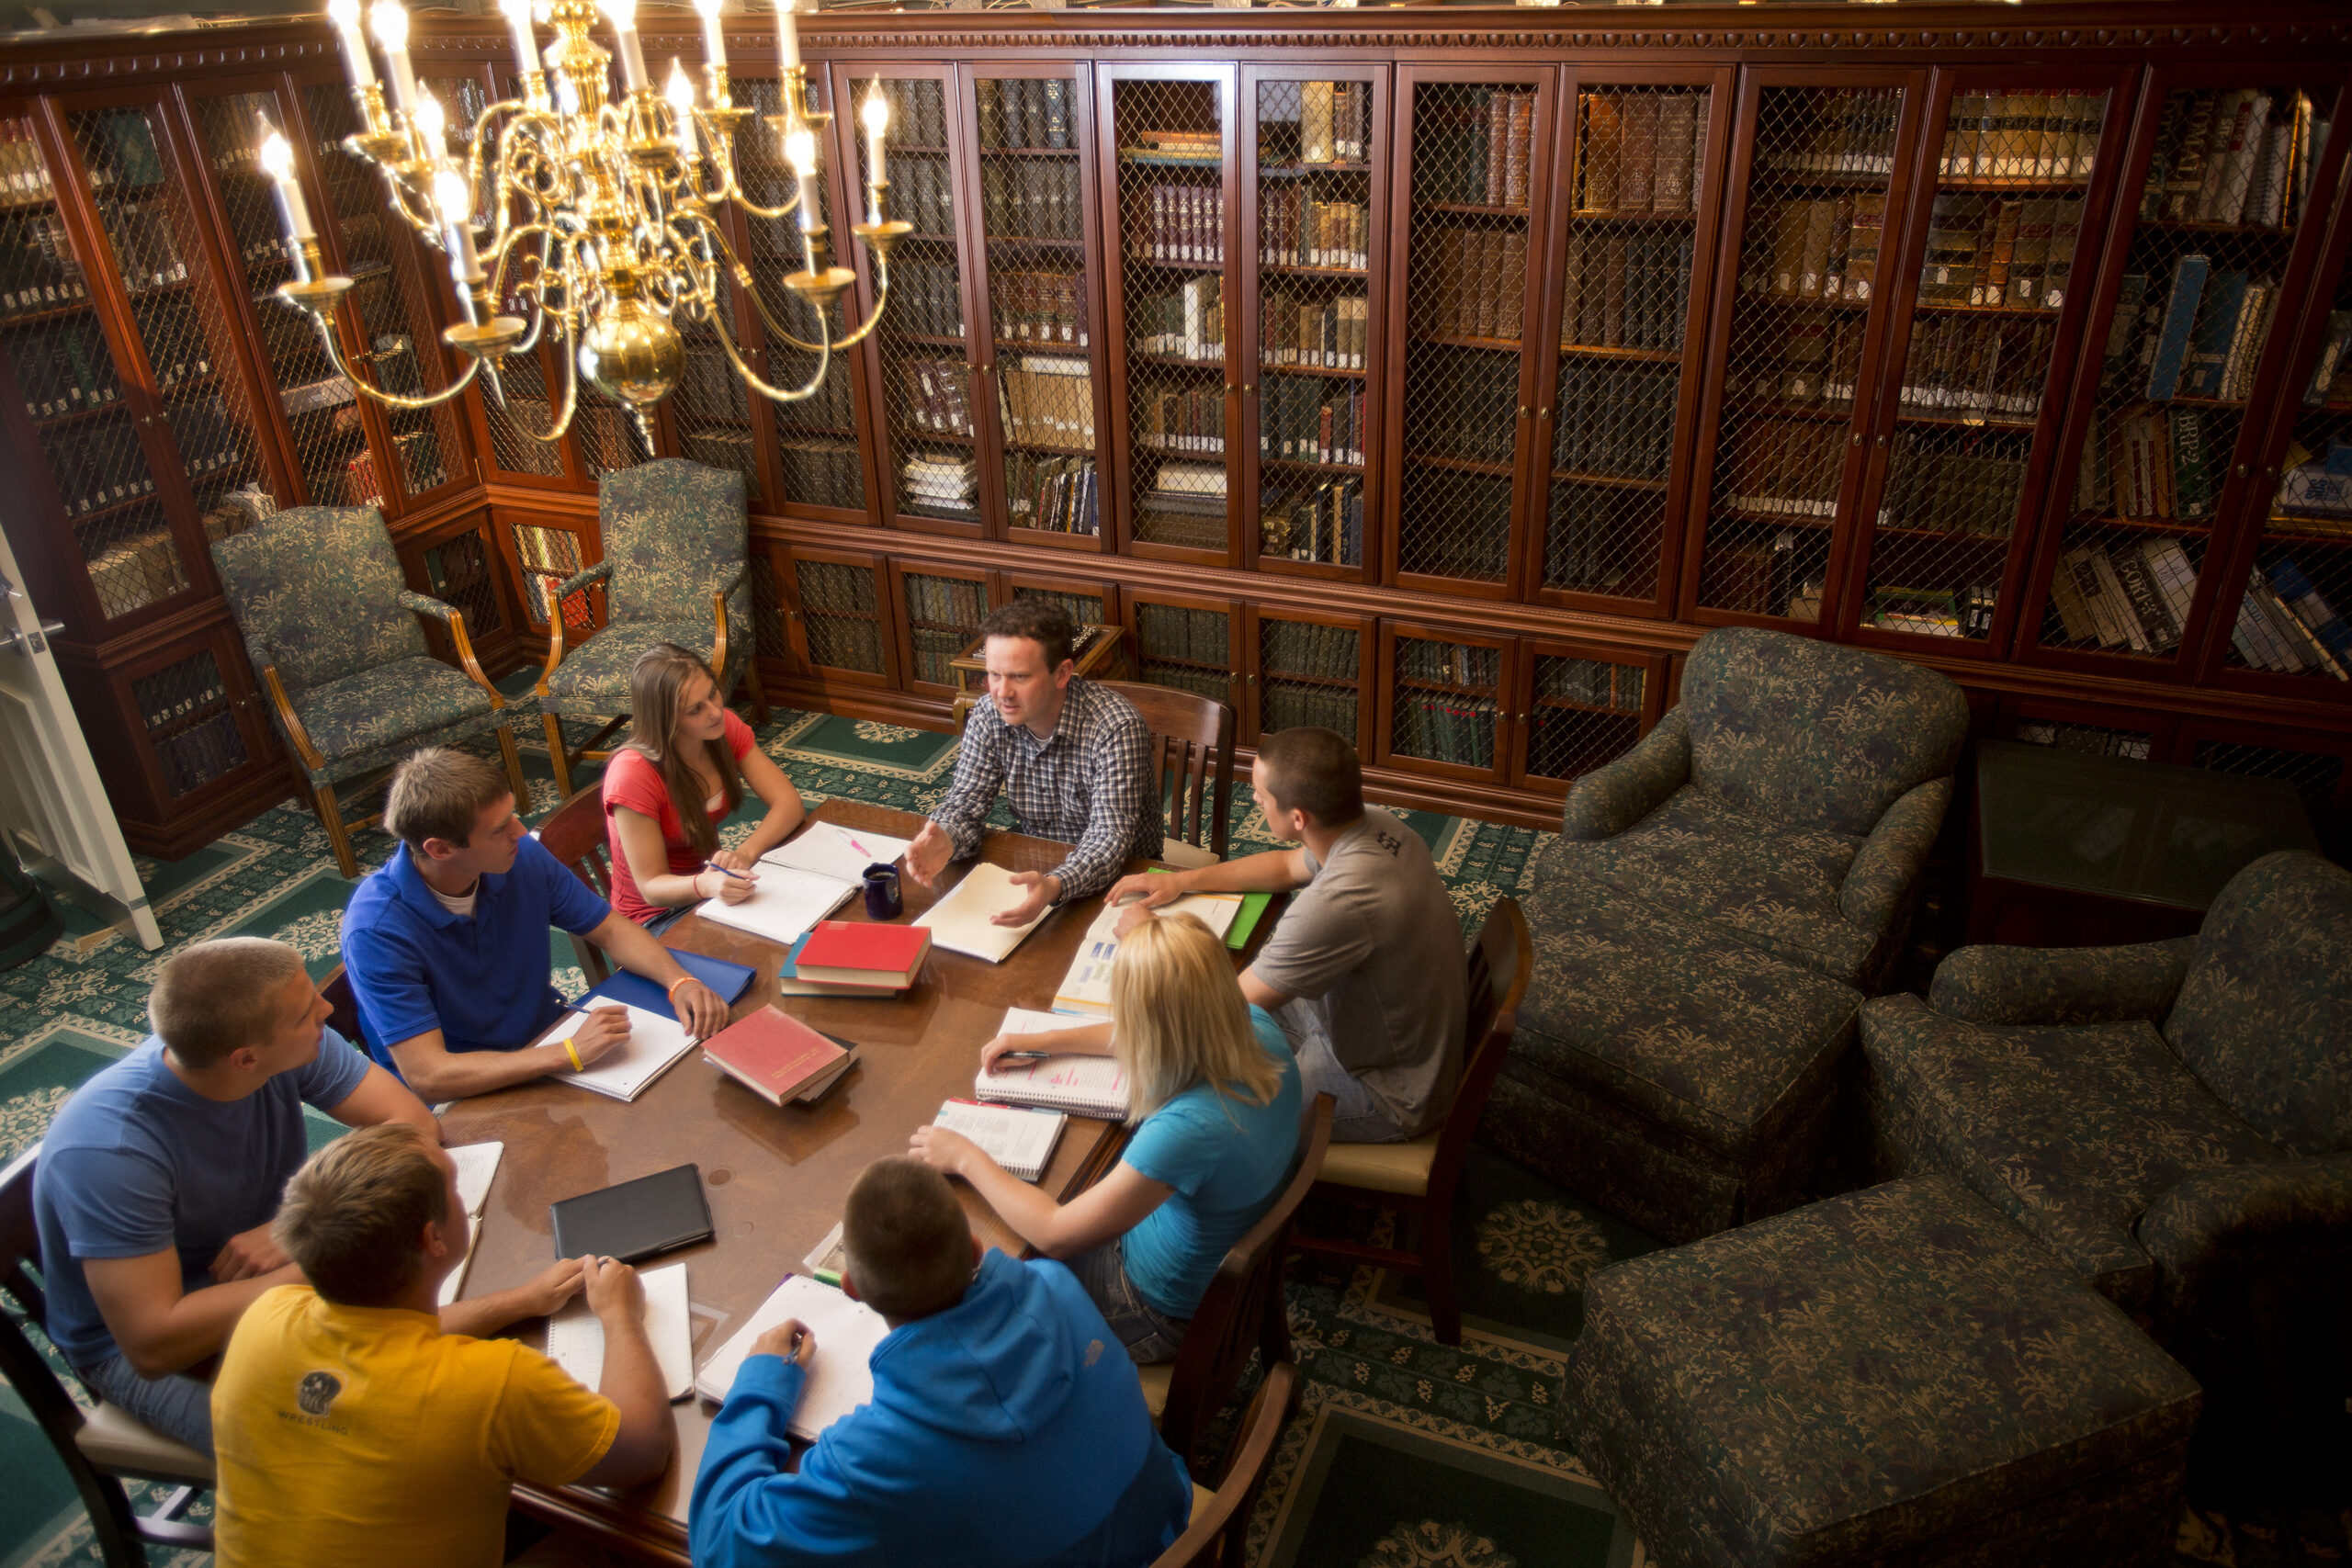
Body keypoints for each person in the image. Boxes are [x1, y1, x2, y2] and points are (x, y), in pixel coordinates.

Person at [29, 937, 565, 1454]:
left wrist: (295, 1227)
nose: (327, 1010)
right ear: (245, 1059)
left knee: (452, 1372)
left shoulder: (284, 1040)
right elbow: (153, 1342)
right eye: (306, 1012)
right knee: (369, 1440)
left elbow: (412, 1125)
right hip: (151, 1349)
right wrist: (330, 1248)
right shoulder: (110, 1151)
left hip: (266, 1277)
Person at [691, 1156, 1191, 1568]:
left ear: (854, 1291)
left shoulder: (874, 1460)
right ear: (976, 1248)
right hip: (1168, 1527)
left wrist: (760, 1383)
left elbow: (720, 1545)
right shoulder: (1056, 1284)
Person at [210, 1123, 673, 1567]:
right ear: (432, 1239)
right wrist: (619, 1315)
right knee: (604, 1548)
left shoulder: (266, 1316)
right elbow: (643, 1450)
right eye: (455, 1188)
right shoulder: (492, 1382)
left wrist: (523, 1301)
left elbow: (393, 1339)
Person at [915, 914, 1300, 1362]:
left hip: (1153, 1310)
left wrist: (964, 1156)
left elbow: (1056, 1234)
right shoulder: (1253, 1024)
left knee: (984, 1278)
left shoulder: (1189, 1129)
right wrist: (1048, 1039)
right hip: (1201, 1262)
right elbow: (1151, 1032)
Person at [1102, 727, 1464, 1145]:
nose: (1254, 798)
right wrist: (1185, 882)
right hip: (1370, 1030)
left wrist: (1150, 937)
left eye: (1261, 793)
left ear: (1298, 818)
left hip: (1388, 1091)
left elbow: (1219, 1010)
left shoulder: (1335, 904)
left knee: (1199, 1114)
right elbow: (1283, 868)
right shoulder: (1377, 827)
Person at [341, 747, 732, 1102]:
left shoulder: (521, 855)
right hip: (466, 1096)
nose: (518, 830)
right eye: (498, 829)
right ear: (440, 849)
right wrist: (569, 1053)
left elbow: (610, 929)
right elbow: (430, 1075)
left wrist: (678, 981)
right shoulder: (376, 933)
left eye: (512, 813)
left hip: (543, 1041)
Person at [904, 599, 1159, 931]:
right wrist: (947, 839)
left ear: (1062, 673)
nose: (1002, 692)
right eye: (993, 675)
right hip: (1035, 864)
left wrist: (1054, 885)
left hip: (1121, 880)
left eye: (1019, 677)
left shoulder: (1115, 728)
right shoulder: (988, 714)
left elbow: (1107, 838)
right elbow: (965, 803)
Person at [603, 642, 807, 931]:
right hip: (654, 918)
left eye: (713, 693)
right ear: (665, 720)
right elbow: (651, 886)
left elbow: (789, 803)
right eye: (695, 709)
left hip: (710, 889)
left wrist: (745, 854)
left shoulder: (721, 729)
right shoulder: (632, 774)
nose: (714, 711)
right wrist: (707, 885)